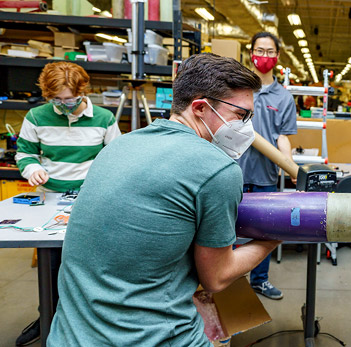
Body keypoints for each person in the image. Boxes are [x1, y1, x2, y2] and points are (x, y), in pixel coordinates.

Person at [47, 53, 281, 346]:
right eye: (241, 116)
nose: (247, 127)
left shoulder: (122, 145)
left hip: (69, 335)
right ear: (199, 107)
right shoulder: (217, 169)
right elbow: (217, 278)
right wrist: (274, 237)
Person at [14, 61, 121, 346]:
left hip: (91, 199)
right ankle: (47, 316)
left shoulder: (104, 119)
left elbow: (117, 158)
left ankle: (89, 321)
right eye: (56, 100)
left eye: (69, 99)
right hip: (51, 198)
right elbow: (24, 153)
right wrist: (31, 169)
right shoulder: (36, 117)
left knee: (90, 264)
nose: (63, 105)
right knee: (52, 264)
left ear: (82, 90)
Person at [235, 31, 297, 300]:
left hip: (265, 176)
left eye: (270, 52)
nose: (264, 57)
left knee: (263, 232)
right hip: (232, 172)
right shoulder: (236, 88)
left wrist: (291, 166)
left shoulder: (283, 98)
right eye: (259, 51)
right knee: (226, 230)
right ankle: (228, 283)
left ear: (278, 56)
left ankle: (259, 280)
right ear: (251, 53)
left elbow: (282, 137)